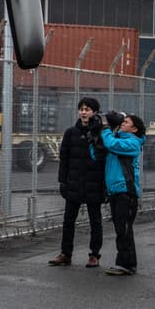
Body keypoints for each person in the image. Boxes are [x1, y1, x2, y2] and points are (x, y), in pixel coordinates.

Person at [50, 97, 106, 268]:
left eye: (87, 109)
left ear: (94, 112)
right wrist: (63, 181)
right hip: (73, 183)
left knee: (95, 221)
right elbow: (64, 159)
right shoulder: (70, 133)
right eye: (81, 108)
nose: (83, 112)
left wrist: (104, 186)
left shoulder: (102, 134)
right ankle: (66, 254)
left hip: (94, 184)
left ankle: (94, 255)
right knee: (68, 221)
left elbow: (105, 160)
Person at [100, 111, 145, 276]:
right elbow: (101, 149)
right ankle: (127, 264)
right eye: (123, 121)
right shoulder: (119, 139)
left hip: (126, 191)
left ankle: (125, 264)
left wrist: (105, 128)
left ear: (134, 129)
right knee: (122, 229)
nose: (123, 124)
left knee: (124, 229)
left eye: (126, 122)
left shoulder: (132, 143)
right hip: (116, 191)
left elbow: (111, 144)